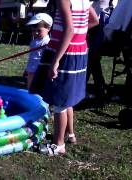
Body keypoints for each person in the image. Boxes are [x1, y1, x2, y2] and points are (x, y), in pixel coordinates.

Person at [30, 0, 99, 155]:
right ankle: (70, 134)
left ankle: (58, 144)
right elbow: (94, 21)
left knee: (60, 99)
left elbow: (69, 29)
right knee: (67, 98)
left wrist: (55, 60)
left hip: (65, 53)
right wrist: (76, 34)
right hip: (78, 50)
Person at [86, 0, 118, 99]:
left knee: (91, 57)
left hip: (104, 34)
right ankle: (100, 88)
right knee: (93, 58)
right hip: (103, 33)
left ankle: (96, 88)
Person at [24, 13, 53, 89]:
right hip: (31, 70)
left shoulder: (48, 42)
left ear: (48, 28)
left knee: (39, 88)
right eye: (33, 30)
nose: (36, 33)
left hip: (40, 71)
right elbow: (31, 57)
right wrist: (27, 69)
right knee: (29, 88)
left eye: (39, 30)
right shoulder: (33, 42)